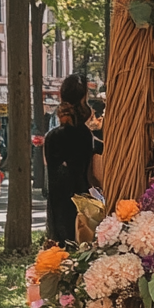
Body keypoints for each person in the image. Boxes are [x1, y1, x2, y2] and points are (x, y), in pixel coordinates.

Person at [44, 74, 94, 243]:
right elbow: (87, 171)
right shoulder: (84, 135)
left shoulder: (53, 136)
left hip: (57, 206)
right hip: (80, 203)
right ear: (83, 98)